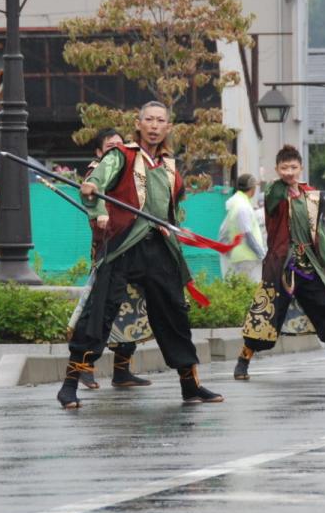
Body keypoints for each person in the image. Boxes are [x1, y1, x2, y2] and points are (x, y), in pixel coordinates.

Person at [57, 101, 222, 409]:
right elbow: (96, 181)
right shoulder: (121, 155)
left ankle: (190, 385)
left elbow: (171, 206)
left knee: (174, 313)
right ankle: (69, 385)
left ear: (168, 127)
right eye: (149, 119)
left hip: (158, 247)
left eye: (160, 121)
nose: (154, 126)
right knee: (99, 312)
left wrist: (171, 226)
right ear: (138, 123)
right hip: (124, 245)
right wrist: (92, 191)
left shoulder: (169, 166)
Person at [234, 144, 325, 380]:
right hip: (281, 263)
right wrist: (282, 186)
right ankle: (243, 360)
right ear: (277, 169)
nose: (289, 172)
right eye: (284, 168)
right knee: (267, 311)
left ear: (301, 167)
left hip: (307, 264)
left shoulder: (311, 194)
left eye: (293, 167)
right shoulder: (274, 192)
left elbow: (318, 230)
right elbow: (273, 198)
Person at [76, 127, 152, 390]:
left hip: (134, 250)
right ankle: (84, 367)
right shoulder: (96, 171)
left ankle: (122, 370)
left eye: (121, 146)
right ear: (99, 152)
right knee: (101, 309)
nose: (117, 151)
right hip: (110, 250)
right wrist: (100, 214)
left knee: (131, 310)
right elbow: (94, 198)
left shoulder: (133, 170)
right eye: (111, 147)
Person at [219, 173, 266, 282]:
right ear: (253, 188)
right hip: (248, 257)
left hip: (242, 256)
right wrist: (262, 254)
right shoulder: (243, 206)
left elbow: (223, 232)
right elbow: (247, 234)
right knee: (250, 289)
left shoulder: (236, 203)